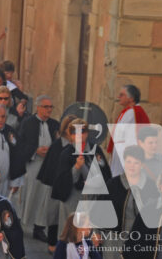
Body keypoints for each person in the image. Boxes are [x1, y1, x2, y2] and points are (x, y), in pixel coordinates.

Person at [93, 145, 159, 259]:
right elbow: (97, 210)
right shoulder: (112, 185)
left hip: (141, 239)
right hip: (114, 239)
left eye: (136, 162)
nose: (131, 166)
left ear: (142, 164)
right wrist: (96, 233)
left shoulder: (151, 187)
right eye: (129, 162)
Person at [51, 119, 111, 241]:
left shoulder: (95, 150)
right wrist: (76, 168)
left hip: (93, 200)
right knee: (72, 235)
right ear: (70, 134)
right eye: (75, 131)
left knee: (91, 235)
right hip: (73, 200)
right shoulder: (66, 153)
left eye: (82, 131)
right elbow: (62, 181)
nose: (79, 135)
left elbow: (105, 173)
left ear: (87, 133)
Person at [17, 95, 60, 243]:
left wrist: (51, 151)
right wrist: (35, 151)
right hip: (33, 164)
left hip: (49, 166)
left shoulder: (55, 124)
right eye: (46, 107)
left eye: (51, 107)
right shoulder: (28, 123)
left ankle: (39, 227)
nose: (49, 110)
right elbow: (20, 144)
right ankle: (22, 222)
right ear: (38, 107)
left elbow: (59, 143)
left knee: (45, 197)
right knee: (30, 194)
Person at [35, 114, 77, 253]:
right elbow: (51, 168)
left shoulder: (76, 147)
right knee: (53, 216)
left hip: (70, 189)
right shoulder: (57, 145)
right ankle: (52, 244)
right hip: (55, 188)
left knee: (67, 218)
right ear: (65, 129)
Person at [107, 84, 150, 177]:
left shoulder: (133, 112)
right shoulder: (128, 111)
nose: (118, 97)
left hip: (127, 154)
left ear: (131, 98)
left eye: (122, 95)